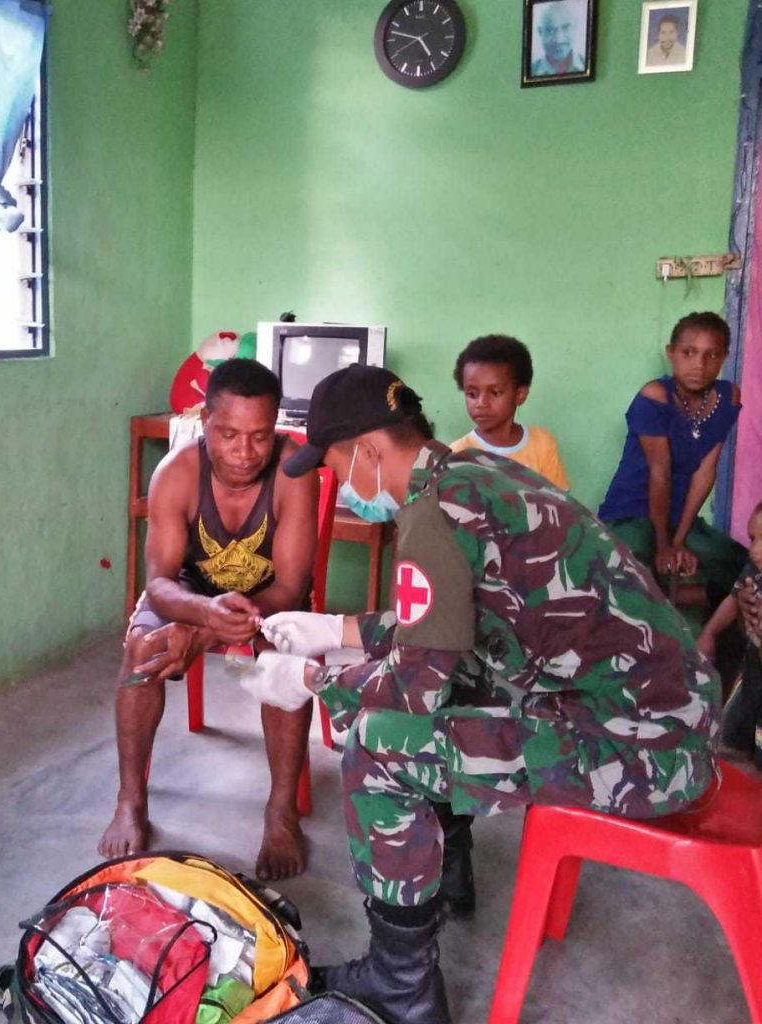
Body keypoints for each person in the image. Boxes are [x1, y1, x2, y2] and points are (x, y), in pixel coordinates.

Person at [235, 364, 718, 1024]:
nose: (341, 484)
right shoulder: (472, 475)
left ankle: (401, 985)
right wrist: (334, 628)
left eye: (337, 466)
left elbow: (413, 686)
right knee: (458, 683)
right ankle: (445, 868)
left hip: (645, 749)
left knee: (379, 746)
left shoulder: (430, 516)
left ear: (368, 450)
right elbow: (447, 628)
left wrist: (311, 681)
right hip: (665, 717)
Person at [98, 358, 319, 881]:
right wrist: (203, 614)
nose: (245, 452)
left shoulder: (293, 472)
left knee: (286, 657)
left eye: (260, 436)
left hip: (269, 598)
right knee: (143, 650)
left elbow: (291, 586)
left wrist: (202, 632)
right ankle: (130, 800)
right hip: (191, 592)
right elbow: (159, 583)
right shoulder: (176, 473)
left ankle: (281, 812)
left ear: (276, 428)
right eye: (228, 434)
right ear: (205, 422)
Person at [598, 312, 744, 602]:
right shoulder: (655, 396)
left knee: (740, 566)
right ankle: (651, 615)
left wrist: (679, 541)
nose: (699, 365)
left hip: (680, 516)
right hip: (632, 511)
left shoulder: (728, 397)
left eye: (711, 355)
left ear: (724, 357)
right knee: (632, 570)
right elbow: (660, 472)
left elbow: (706, 471)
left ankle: (705, 622)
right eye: (689, 353)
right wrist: (664, 546)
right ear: (671, 353)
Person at [449, 334, 569, 490]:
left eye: (495, 392)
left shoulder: (542, 444)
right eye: (472, 394)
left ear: (520, 394)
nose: (481, 403)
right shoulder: (457, 454)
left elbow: (559, 502)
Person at [697, 500, 762, 767]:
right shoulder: (753, 572)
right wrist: (709, 633)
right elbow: (733, 599)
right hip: (752, 670)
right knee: (728, 739)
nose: (754, 550)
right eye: (753, 539)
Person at [530, 0, 585, 77]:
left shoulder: (588, 64)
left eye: (566, 28)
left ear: (575, 27)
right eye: (550, 30)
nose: (558, 40)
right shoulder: (531, 71)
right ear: (540, 32)